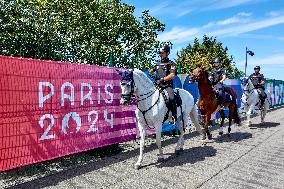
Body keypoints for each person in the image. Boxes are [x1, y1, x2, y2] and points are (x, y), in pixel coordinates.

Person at [149, 45, 178, 124]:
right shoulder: (157, 63)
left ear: (167, 53)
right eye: (160, 53)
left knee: (172, 98)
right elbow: (151, 71)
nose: (160, 54)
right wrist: (151, 73)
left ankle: (174, 116)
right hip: (157, 85)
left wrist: (163, 79)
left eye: (162, 53)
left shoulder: (172, 63)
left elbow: (172, 75)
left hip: (167, 86)